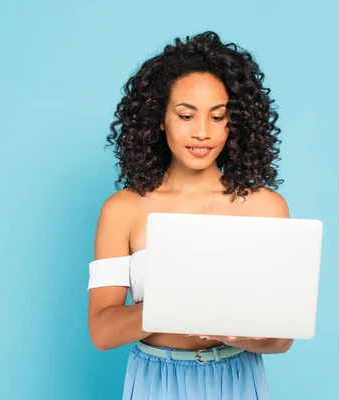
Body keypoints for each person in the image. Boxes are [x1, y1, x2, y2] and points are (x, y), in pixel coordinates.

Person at [87, 31, 293, 399]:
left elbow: (281, 340)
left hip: (237, 377)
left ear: (235, 123)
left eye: (218, 117)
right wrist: (172, 302)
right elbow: (103, 332)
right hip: (156, 379)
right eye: (186, 115)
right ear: (160, 118)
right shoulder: (123, 209)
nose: (202, 132)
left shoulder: (267, 207)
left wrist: (239, 334)